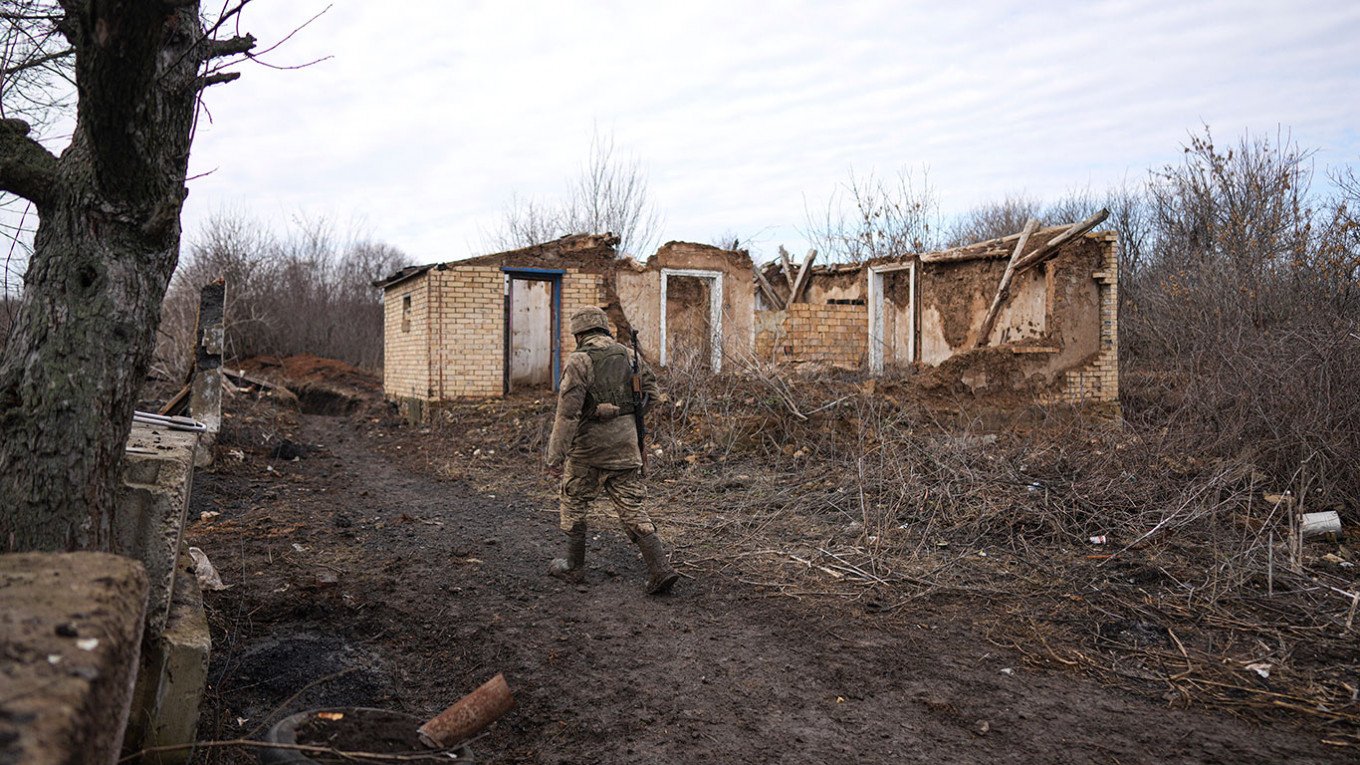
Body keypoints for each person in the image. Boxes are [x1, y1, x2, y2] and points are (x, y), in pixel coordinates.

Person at [545, 306, 678, 595]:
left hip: (588, 452)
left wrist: (555, 456)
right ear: (604, 329)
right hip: (626, 447)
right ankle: (660, 569)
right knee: (632, 507)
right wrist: (629, 416)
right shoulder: (629, 356)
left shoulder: (580, 360)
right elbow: (652, 395)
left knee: (574, 501)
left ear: (579, 333)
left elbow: (567, 414)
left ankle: (573, 566)